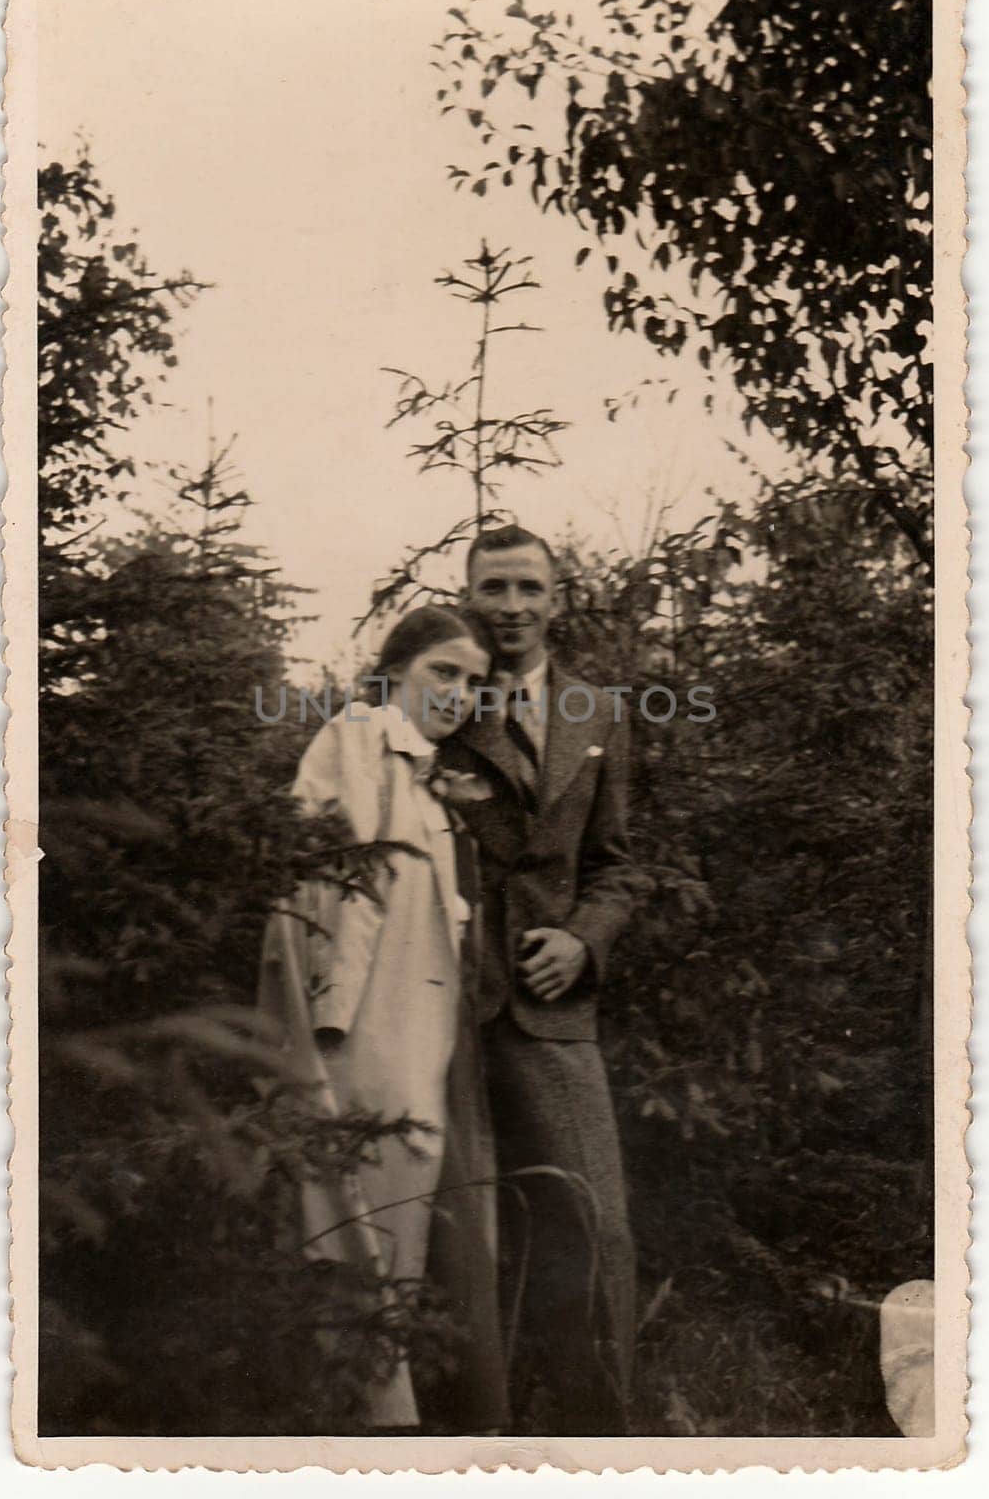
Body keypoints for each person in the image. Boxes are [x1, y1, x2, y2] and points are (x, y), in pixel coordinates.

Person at [258, 604, 508, 1432]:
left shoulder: (419, 765)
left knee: (393, 1202)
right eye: (443, 671)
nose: (458, 693)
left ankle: (380, 1414)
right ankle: (361, 1422)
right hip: (360, 1021)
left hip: (408, 1019)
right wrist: (330, 1021)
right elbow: (339, 883)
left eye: (473, 681)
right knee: (354, 1205)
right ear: (394, 669)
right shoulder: (360, 736)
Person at [439, 524, 640, 1433]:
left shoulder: (598, 714)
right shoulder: (433, 698)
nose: (511, 607)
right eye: (493, 589)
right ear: (468, 597)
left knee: (587, 1221)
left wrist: (582, 942)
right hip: (440, 1008)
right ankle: (461, 1431)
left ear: (557, 601)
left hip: (551, 1013)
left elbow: (618, 866)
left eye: (528, 588)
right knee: (453, 1234)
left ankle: (598, 1429)